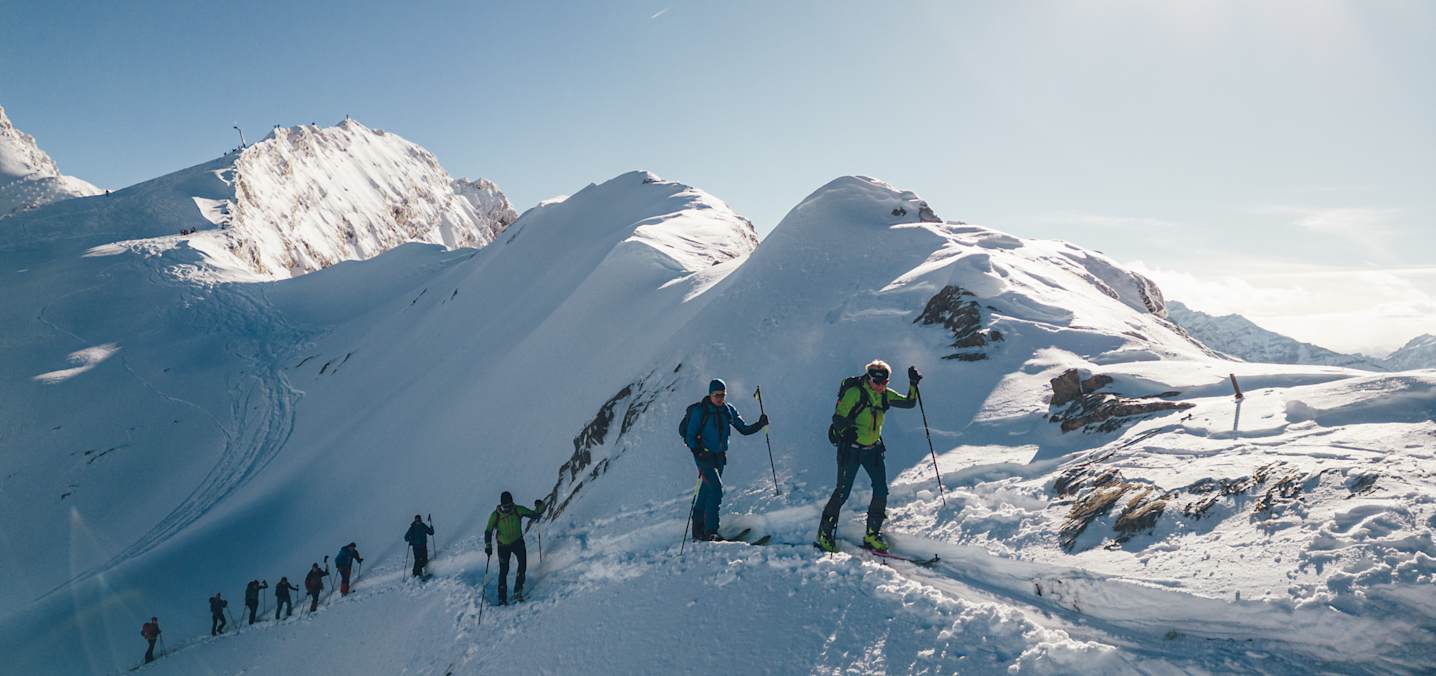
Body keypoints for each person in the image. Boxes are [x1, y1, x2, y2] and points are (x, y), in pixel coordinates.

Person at [815, 361, 922, 553]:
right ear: (869, 378)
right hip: (851, 450)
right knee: (842, 492)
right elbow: (837, 418)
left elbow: (909, 403)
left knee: (881, 490)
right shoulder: (855, 393)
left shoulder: (884, 394)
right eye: (877, 382)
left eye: (885, 382)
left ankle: (872, 534)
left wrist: (913, 384)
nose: (881, 386)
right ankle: (824, 534)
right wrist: (846, 430)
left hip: (873, 449)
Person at [681, 378, 768, 541]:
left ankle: (698, 530)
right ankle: (710, 532)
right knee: (716, 489)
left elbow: (743, 429)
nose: (720, 398)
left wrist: (759, 424)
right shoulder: (700, 412)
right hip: (704, 457)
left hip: (719, 457)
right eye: (717, 395)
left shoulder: (728, 410)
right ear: (710, 394)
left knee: (706, 491)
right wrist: (699, 452)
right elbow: (690, 436)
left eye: (723, 395)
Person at [484, 492, 544, 605]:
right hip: (503, 546)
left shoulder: (518, 510)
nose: (507, 509)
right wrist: (488, 545)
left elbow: (535, 514)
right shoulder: (495, 515)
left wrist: (540, 506)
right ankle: (502, 598)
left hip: (517, 542)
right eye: (505, 507)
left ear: (512, 503)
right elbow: (488, 531)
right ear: (501, 505)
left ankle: (518, 591)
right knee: (504, 570)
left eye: (509, 506)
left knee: (522, 564)